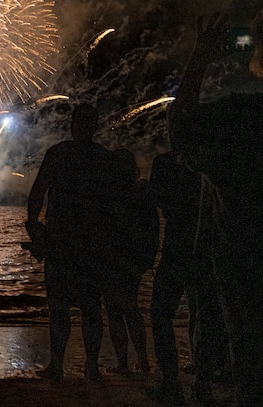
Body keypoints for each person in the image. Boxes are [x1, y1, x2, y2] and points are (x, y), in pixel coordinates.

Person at [168, 12, 263, 407]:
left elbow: (182, 131)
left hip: (246, 269)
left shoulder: (241, 118)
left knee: (253, 368)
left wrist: (200, 58)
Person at [25, 103, 115, 382]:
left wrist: (34, 226)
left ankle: (58, 365)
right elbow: (113, 205)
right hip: (90, 243)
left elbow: (38, 192)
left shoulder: (59, 153)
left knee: (61, 307)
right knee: (89, 306)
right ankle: (90, 366)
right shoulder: (103, 158)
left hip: (62, 240)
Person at [148, 150, 228, 405]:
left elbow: (160, 198)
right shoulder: (209, 162)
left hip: (180, 245)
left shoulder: (167, 163)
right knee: (205, 314)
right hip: (206, 246)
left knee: (163, 312)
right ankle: (201, 384)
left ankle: (173, 381)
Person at [102, 148, 156, 376]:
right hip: (132, 258)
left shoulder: (109, 193)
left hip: (113, 256)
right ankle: (142, 362)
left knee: (115, 311)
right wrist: (148, 258)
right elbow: (152, 226)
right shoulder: (141, 191)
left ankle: (125, 363)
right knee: (130, 308)